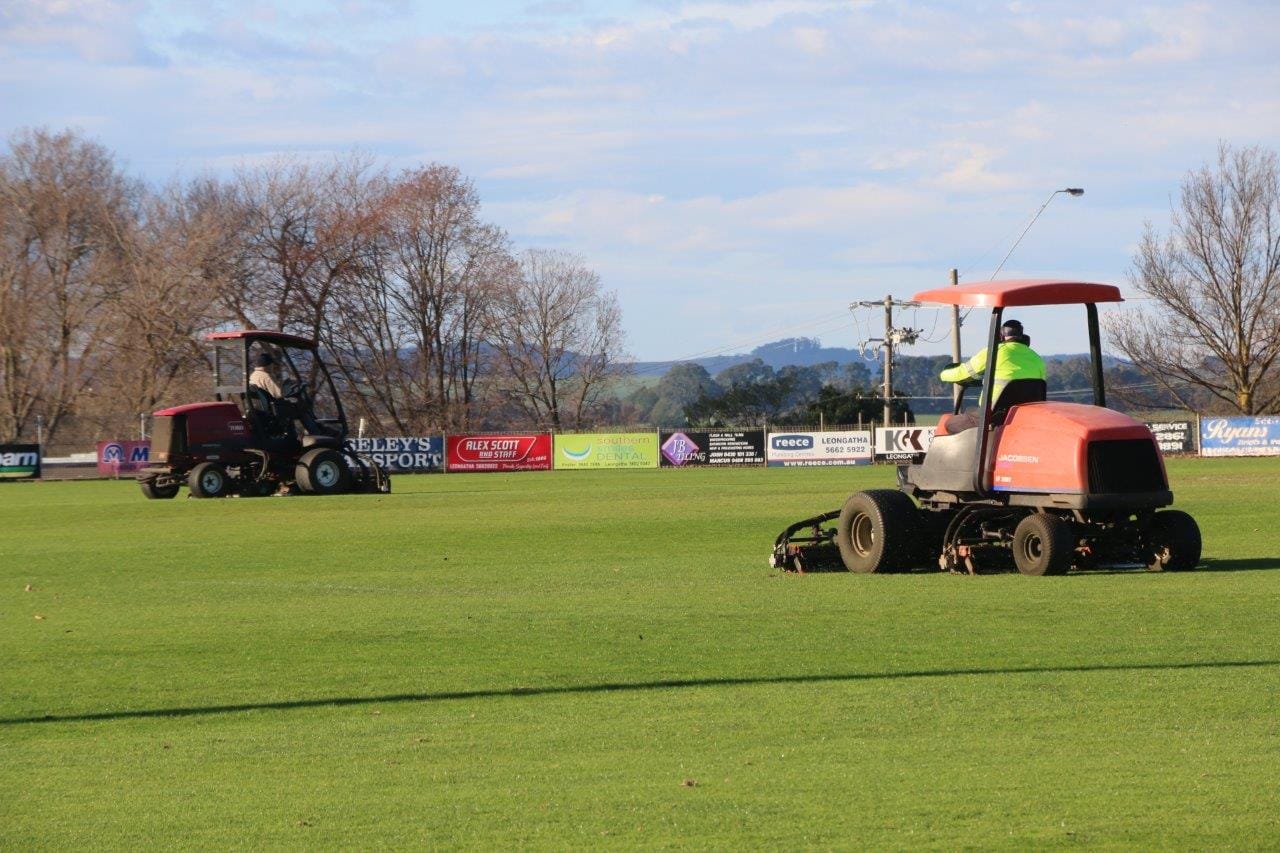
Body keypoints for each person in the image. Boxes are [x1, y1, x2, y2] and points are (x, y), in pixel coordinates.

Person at [938, 319, 1046, 432]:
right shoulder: (1037, 358)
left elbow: (963, 373)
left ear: (1001, 336)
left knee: (951, 423)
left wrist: (943, 374)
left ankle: (981, 448)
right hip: (1024, 416)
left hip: (992, 415)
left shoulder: (994, 352)